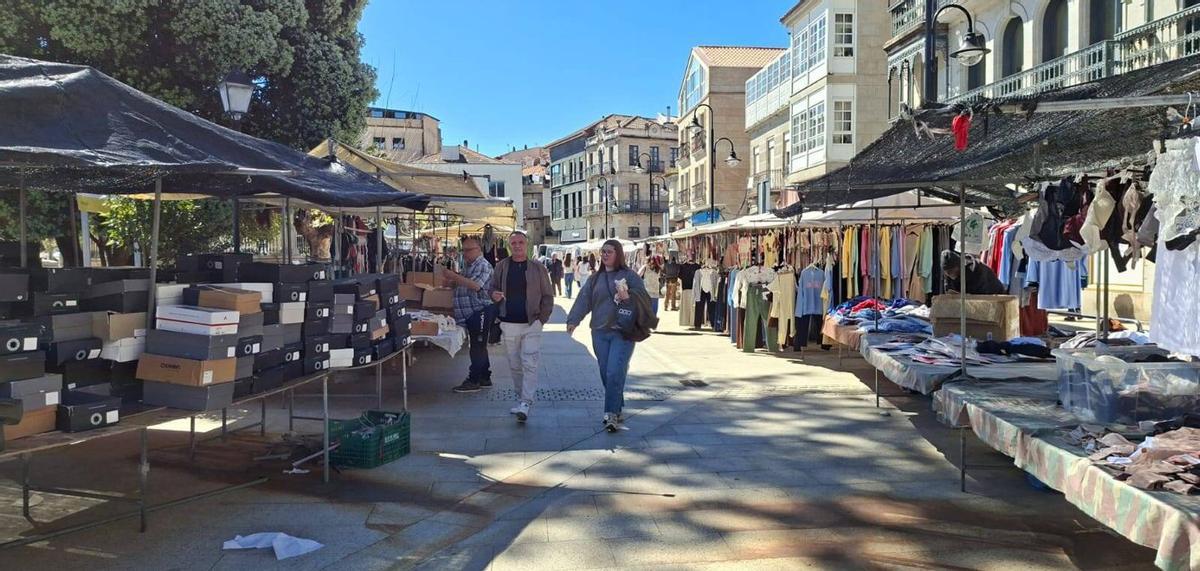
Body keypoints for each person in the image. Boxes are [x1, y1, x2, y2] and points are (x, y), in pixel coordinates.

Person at [567, 240, 648, 432]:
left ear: (618, 254)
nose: (604, 255)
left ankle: (611, 413)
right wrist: (573, 320)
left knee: (614, 370)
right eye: (603, 252)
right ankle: (617, 402)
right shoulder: (595, 278)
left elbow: (644, 298)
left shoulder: (630, 276)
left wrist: (628, 296)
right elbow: (584, 299)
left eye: (609, 252)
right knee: (605, 371)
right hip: (600, 332)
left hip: (623, 332)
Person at [490, 231, 554, 422]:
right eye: (513, 243)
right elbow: (491, 287)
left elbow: (548, 295)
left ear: (526, 244)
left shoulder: (538, 268)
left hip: (531, 323)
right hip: (508, 323)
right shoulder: (501, 266)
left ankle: (526, 402)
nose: (517, 246)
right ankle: (521, 399)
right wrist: (493, 294)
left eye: (520, 242)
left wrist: (541, 319)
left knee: (530, 362)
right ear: (509, 245)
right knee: (515, 364)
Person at [442, 237, 495, 393]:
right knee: (479, 346)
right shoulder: (469, 265)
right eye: (463, 250)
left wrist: (453, 276)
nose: (464, 253)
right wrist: (451, 282)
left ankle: (474, 380)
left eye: (468, 250)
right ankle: (485, 377)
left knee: (477, 347)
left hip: (480, 311)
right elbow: (464, 282)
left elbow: (475, 286)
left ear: (478, 249)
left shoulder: (483, 265)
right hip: (471, 313)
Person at [941, 250, 1006, 295]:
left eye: (952, 271)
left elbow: (980, 297)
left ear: (959, 266)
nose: (950, 274)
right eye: (947, 272)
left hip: (994, 295)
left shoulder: (977, 271)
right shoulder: (949, 275)